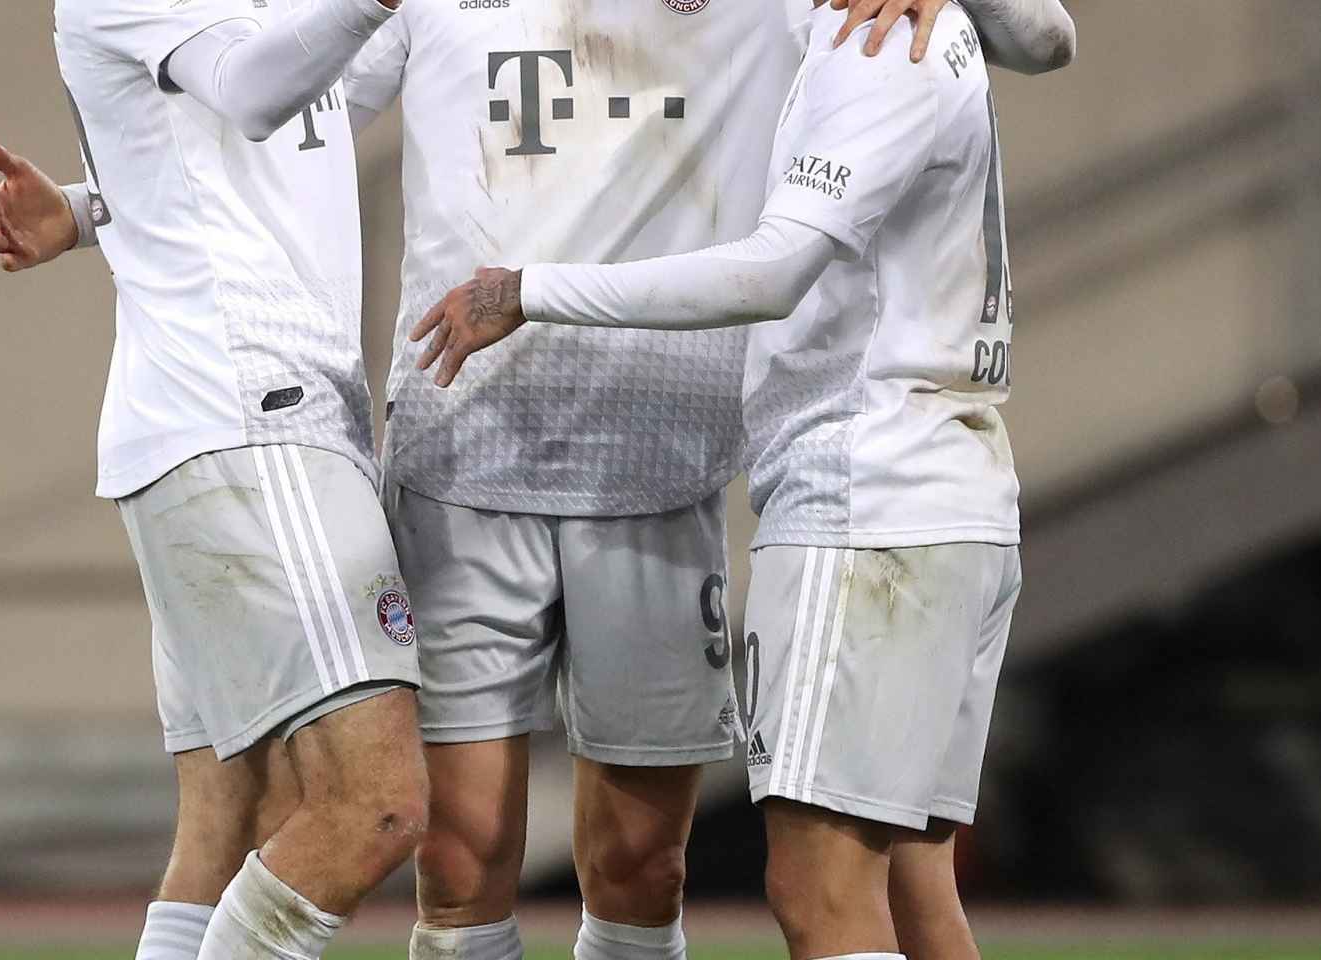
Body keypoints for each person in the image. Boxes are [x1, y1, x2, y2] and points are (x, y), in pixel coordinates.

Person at [0, 0, 1072, 956]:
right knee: (453, 862)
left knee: (641, 867)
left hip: (657, 459)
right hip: (463, 450)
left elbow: (1041, 36)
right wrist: (85, 209)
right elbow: (283, 133)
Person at [412, 3, 1063, 959]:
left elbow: (772, 274)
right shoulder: (905, 22)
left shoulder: (866, 43)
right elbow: (1050, 37)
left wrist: (527, 290)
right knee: (919, 887)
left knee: (821, 887)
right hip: (954, 488)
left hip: (864, 496)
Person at [0, 1, 429, 958]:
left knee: (237, 813)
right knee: (374, 806)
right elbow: (254, 89)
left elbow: (321, 96)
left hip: (233, 427)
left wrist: (93, 207)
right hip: (245, 419)